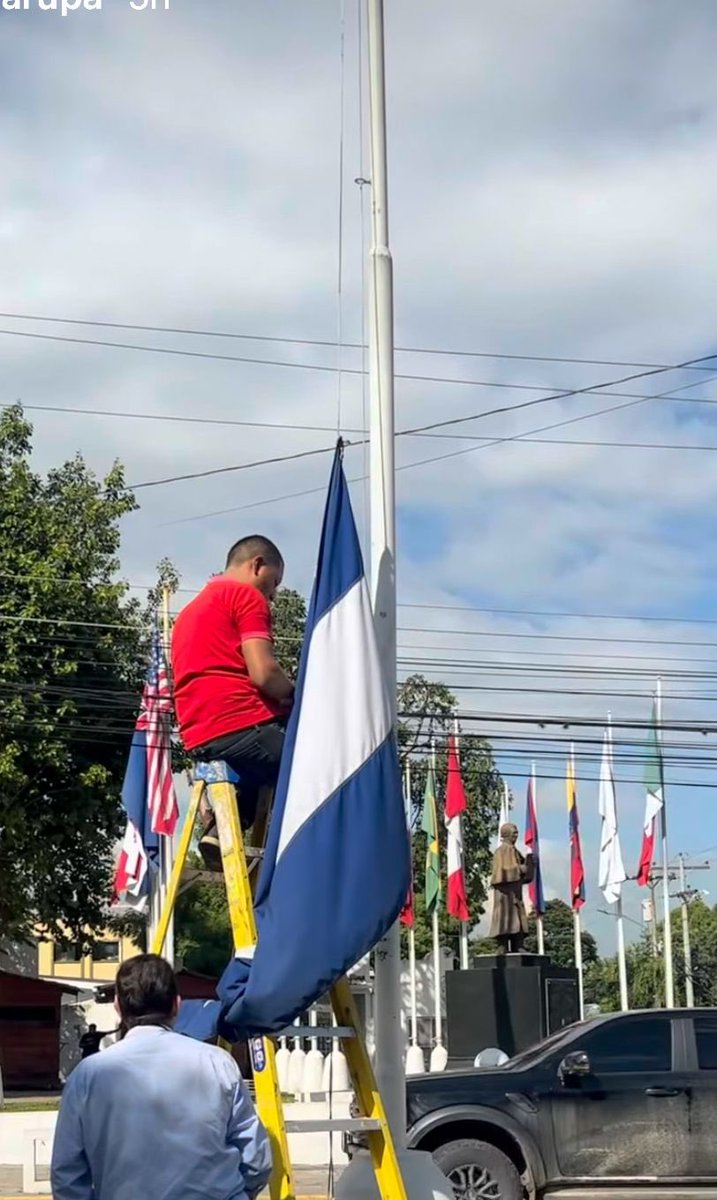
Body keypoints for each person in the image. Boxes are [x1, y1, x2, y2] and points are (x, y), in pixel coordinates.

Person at [51, 954, 272, 1200]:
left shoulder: (87, 1076)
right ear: (177, 1005)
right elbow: (255, 1159)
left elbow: (67, 1175)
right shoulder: (217, 1063)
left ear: (117, 1007)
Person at [172, 534, 295, 868]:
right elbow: (264, 673)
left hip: (200, 734)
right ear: (257, 565)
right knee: (315, 771)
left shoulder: (190, 611)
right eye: (274, 582)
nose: (273, 593)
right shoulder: (246, 597)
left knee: (259, 770)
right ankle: (308, 859)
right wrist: (296, 695)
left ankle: (219, 829)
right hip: (240, 722)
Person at [489, 822, 534, 953]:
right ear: (506, 834)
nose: (516, 835)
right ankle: (502, 945)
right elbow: (500, 873)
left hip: (516, 892)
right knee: (505, 919)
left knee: (518, 919)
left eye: (516, 832)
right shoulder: (500, 851)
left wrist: (530, 866)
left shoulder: (515, 852)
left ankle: (518, 944)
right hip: (505, 895)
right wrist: (520, 869)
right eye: (513, 832)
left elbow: (523, 875)